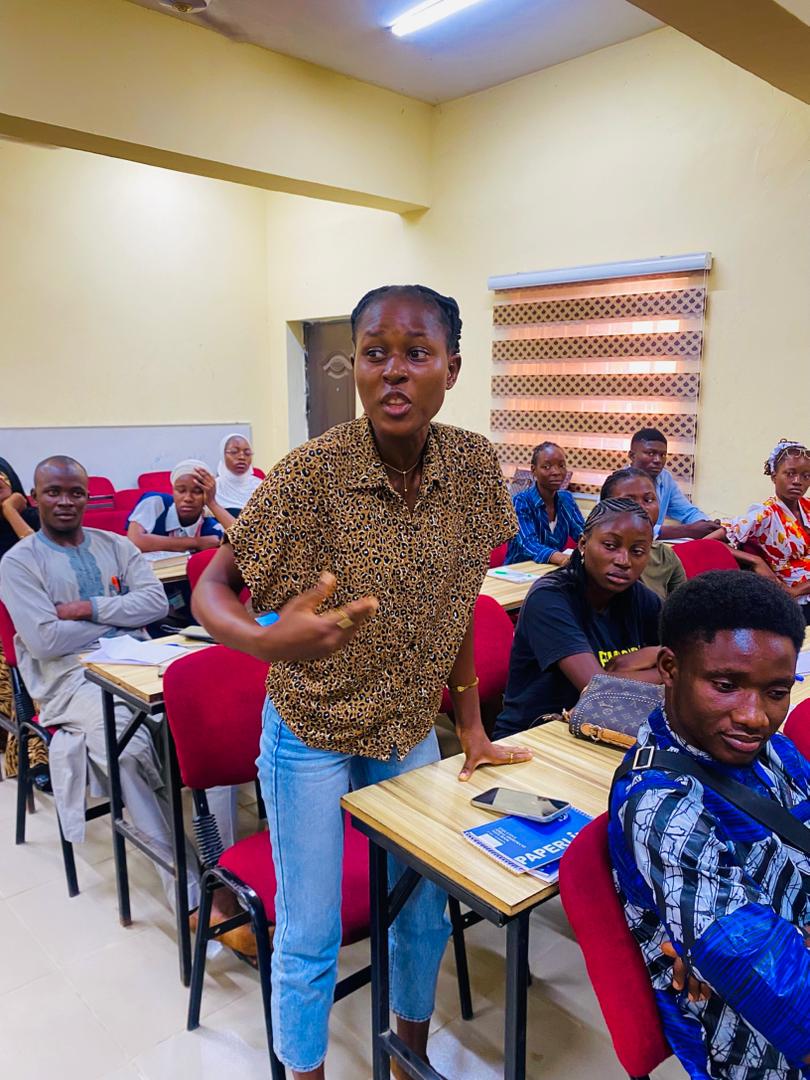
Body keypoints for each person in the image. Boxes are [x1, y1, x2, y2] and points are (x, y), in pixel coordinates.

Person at [192, 283, 532, 1079]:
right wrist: (268, 642)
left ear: (451, 366)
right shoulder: (312, 474)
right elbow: (211, 588)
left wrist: (473, 727)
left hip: (407, 728)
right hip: (309, 733)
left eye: (416, 354)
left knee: (420, 918)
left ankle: (409, 1058)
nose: (392, 373)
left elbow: (458, 603)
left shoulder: (476, 468)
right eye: (374, 354)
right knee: (309, 933)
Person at [0, 456, 245, 941]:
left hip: (141, 658)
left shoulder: (114, 545)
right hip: (68, 681)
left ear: (88, 496)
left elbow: (155, 604)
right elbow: (46, 642)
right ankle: (191, 892)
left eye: (75, 492)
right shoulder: (19, 563)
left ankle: (227, 872)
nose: (65, 502)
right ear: (35, 498)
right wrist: (118, 614)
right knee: (128, 750)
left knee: (217, 729)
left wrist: (88, 609)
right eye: (54, 493)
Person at [609, 571, 810, 1080]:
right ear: (671, 668)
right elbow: (787, 1002)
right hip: (755, 1049)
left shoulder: (773, 752)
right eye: (726, 686)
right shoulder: (662, 803)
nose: (755, 717)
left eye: (776, 692)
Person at [495, 497, 662, 738]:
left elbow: (689, 661)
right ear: (583, 544)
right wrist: (665, 672)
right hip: (534, 735)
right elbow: (597, 691)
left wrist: (658, 656)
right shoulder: (549, 598)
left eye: (637, 551)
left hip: (605, 729)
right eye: (610, 545)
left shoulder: (640, 598)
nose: (623, 561)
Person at [724, 439, 810, 622]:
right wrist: (755, 561)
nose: (798, 481)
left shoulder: (808, 508)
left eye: (806, 476)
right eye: (790, 473)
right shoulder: (764, 514)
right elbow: (708, 543)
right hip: (793, 603)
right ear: (773, 476)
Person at [0, 456, 46, 782]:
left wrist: (12, 513)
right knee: (26, 666)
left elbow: (45, 561)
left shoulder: (30, 516)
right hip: (9, 624)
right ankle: (37, 756)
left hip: (38, 613)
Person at [600, 467, 687, 601]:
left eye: (648, 500)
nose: (642, 507)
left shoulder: (664, 555)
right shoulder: (597, 555)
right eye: (630, 501)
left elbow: (682, 608)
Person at [628, 428, 720, 540]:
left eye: (663, 455)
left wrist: (708, 526)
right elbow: (631, 528)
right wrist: (688, 530)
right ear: (632, 456)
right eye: (651, 453)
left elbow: (687, 512)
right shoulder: (619, 484)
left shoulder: (665, 478)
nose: (658, 460)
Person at [127, 459, 234, 554]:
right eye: (181, 491)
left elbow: (244, 541)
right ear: (173, 491)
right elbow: (134, 540)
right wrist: (197, 542)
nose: (188, 498)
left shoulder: (211, 528)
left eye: (197, 492)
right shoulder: (155, 501)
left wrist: (212, 503)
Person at [506, 442, 584, 565]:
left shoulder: (566, 499)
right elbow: (528, 543)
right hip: (520, 572)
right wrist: (562, 558)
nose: (556, 472)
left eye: (561, 465)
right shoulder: (521, 501)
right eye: (547, 467)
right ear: (533, 470)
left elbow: (582, 534)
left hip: (551, 571)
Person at [215, 433, 261, 516]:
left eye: (247, 453)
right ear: (223, 455)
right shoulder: (214, 488)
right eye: (234, 452)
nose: (242, 457)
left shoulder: (260, 487)